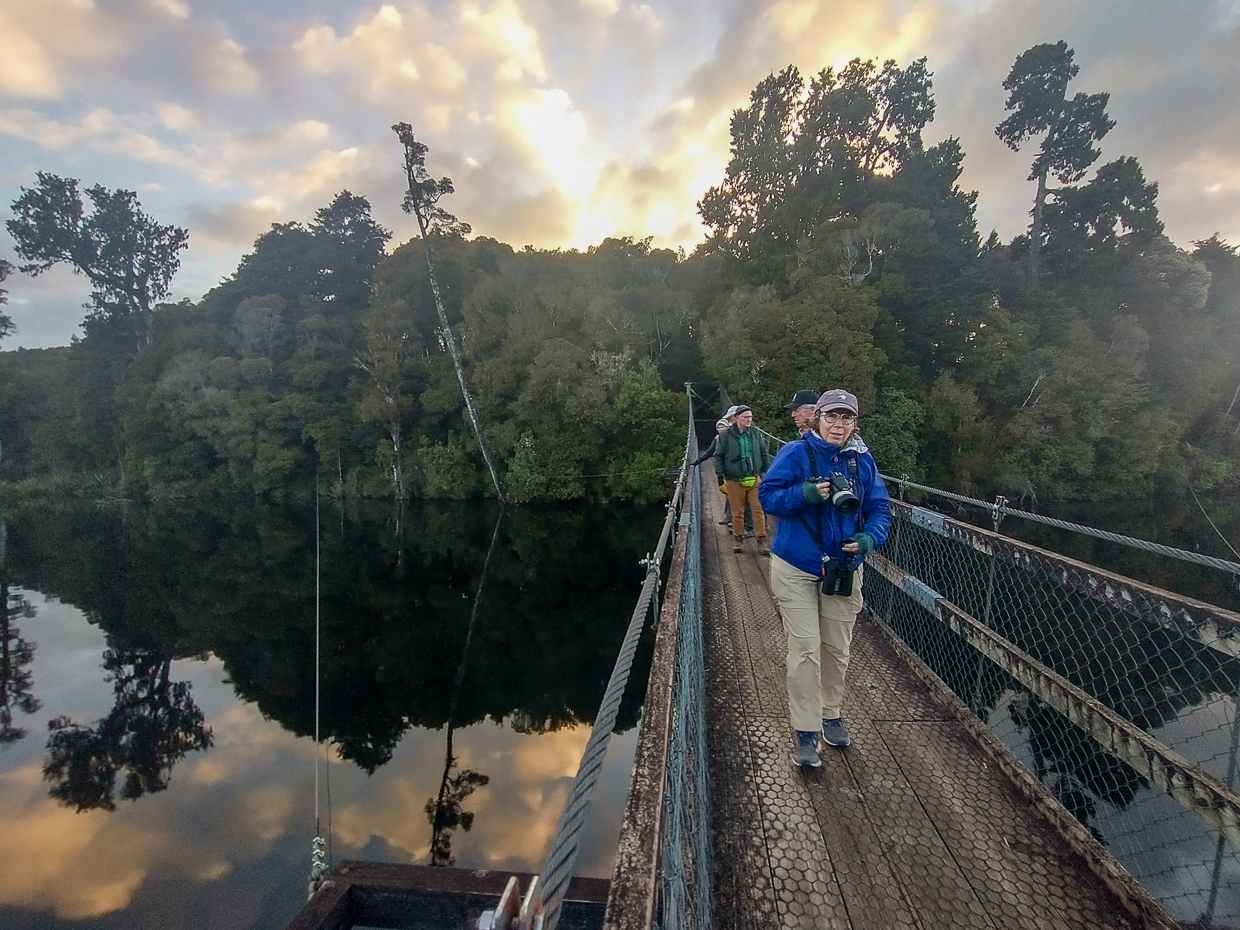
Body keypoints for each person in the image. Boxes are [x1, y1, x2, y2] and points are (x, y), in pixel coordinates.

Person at [757, 389, 891, 768]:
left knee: (837, 648)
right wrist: (804, 493)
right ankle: (805, 730)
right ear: (817, 418)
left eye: (847, 418)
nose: (839, 424)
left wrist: (867, 539)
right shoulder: (796, 453)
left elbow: (880, 509)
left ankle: (830, 713)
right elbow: (767, 497)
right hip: (796, 566)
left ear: (855, 424)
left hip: (844, 568)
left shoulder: (862, 461)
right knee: (805, 650)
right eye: (832, 416)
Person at [714, 405, 771, 554]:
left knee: (758, 509)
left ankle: (762, 541)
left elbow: (764, 452)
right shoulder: (726, 436)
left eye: (751, 417)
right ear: (737, 418)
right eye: (746, 417)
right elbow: (718, 456)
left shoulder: (756, 433)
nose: (749, 420)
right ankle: (738, 539)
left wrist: (768, 473)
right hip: (734, 479)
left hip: (754, 477)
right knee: (737, 512)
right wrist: (720, 476)